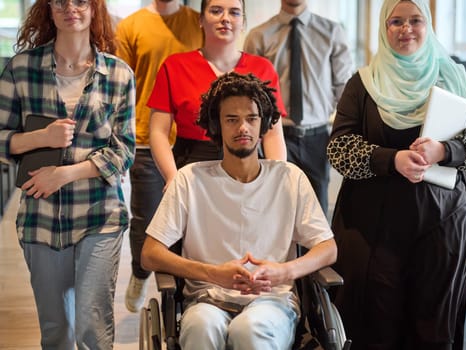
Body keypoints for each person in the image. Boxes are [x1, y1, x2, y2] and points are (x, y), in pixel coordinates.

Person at [326, 0, 466, 349]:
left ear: (428, 25)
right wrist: (392, 159)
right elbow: (339, 149)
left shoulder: (451, 76)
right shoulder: (363, 84)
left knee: (434, 327)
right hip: (373, 227)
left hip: (442, 222)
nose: (406, 29)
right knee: (376, 324)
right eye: (396, 21)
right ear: (384, 29)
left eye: (415, 20)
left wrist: (445, 150)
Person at [141, 72, 337, 350]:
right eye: (231, 119)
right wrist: (211, 273)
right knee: (200, 328)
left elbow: (328, 248)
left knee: (250, 330)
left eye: (251, 118)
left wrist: (284, 271)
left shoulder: (289, 178)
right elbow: (150, 254)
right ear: (217, 126)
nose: (242, 127)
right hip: (206, 299)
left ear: (264, 123)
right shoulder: (190, 180)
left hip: (272, 301)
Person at [0, 0, 135, 348]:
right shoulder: (21, 69)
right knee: (56, 330)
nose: (70, 8)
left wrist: (64, 174)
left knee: (93, 327)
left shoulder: (119, 74)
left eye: (80, 1)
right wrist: (41, 138)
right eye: (60, 1)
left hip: (100, 214)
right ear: (47, 9)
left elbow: (124, 150)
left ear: (94, 9)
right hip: (40, 218)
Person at [115, 0, 203, 313]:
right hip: (145, 139)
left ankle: (187, 294)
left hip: (194, 140)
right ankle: (141, 272)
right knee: (146, 219)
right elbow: (119, 88)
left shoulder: (199, 21)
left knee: (194, 225)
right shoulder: (131, 26)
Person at [147, 0, 287, 190]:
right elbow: (158, 132)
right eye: (216, 11)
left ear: (243, 22)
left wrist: (276, 177)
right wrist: (172, 177)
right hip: (191, 168)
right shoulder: (174, 66)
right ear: (201, 20)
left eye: (234, 13)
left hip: (249, 168)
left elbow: (272, 134)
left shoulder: (262, 69)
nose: (225, 19)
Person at [243, 0, 352, 214]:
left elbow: (345, 90)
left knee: (315, 215)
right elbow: (249, 95)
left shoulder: (332, 33)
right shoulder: (259, 36)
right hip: (274, 137)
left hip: (317, 138)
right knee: (275, 211)